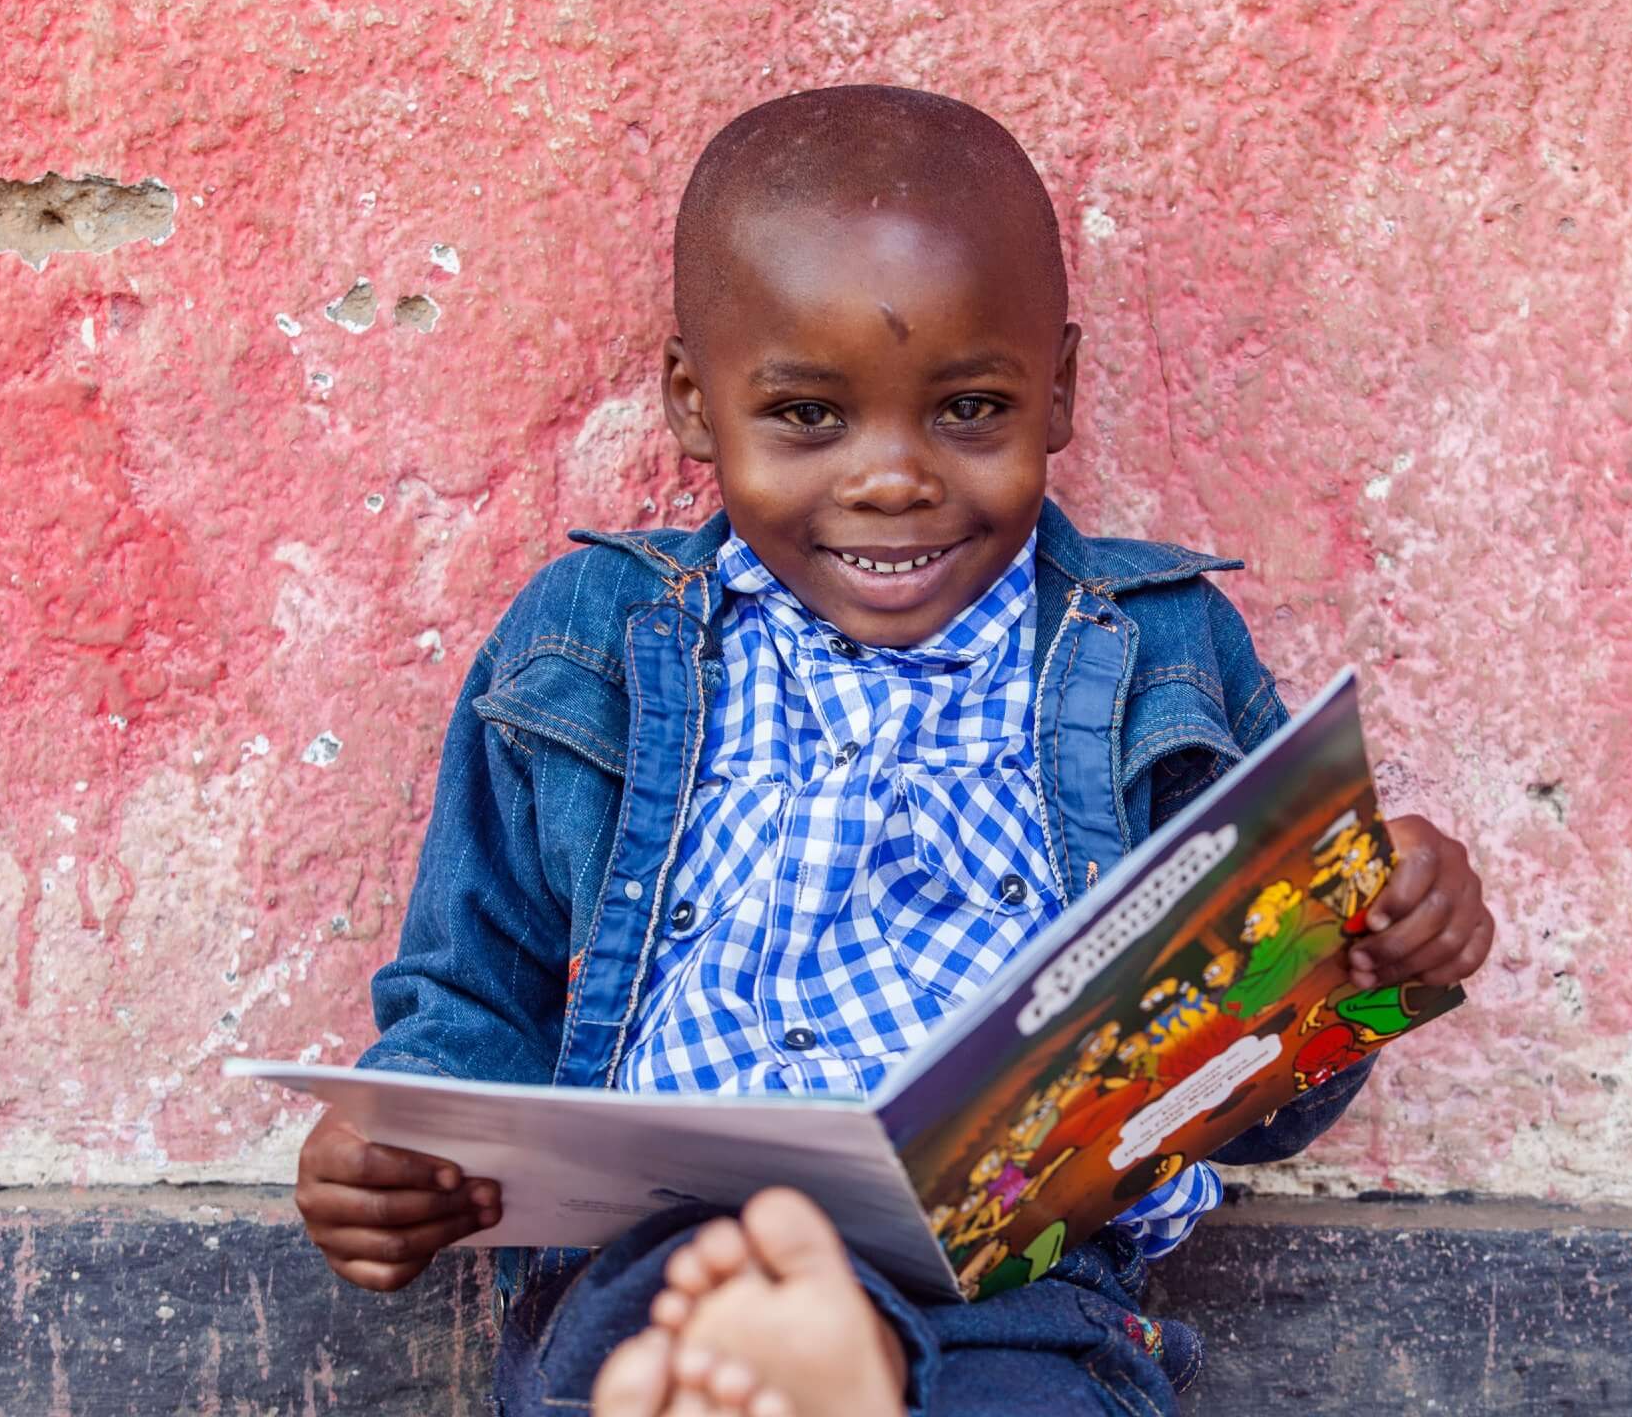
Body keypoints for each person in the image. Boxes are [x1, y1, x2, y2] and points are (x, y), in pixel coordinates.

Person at [290, 84, 1496, 1417]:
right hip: (678, 1261)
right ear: (695, 404)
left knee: (1033, 1388)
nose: (892, 478)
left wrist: (1371, 947)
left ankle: (839, 1379)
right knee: (680, 1309)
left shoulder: (1163, 652)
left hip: (1022, 1282)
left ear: (1061, 392)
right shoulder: (587, 643)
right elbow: (469, 1001)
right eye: (809, 417)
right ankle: (796, 1360)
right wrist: (394, 1149)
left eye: (969, 410)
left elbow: (1247, 1095)